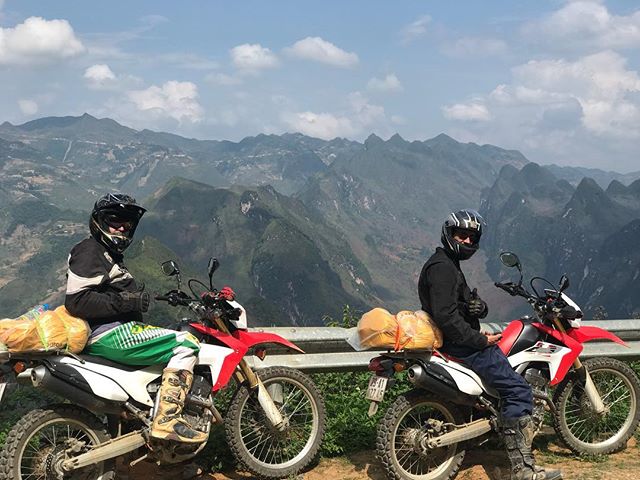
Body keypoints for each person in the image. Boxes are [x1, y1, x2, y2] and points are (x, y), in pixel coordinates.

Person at [418, 209, 561, 480]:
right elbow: (445, 317)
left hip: (458, 341)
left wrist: (478, 309)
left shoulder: (447, 264)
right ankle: (523, 470)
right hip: (463, 346)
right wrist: (480, 339)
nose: (468, 242)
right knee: (519, 391)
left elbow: (455, 308)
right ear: (448, 234)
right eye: (462, 235)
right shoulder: (442, 269)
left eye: (472, 238)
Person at [65, 193, 206, 444]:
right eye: (114, 221)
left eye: (126, 224)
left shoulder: (108, 255)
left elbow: (111, 291)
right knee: (186, 343)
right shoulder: (89, 250)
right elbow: (77, 301)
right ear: (98, 222)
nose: (121, 227)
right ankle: (168, 421)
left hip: (116, 331)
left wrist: (150, 297)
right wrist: (125, 302)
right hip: (109, 334)